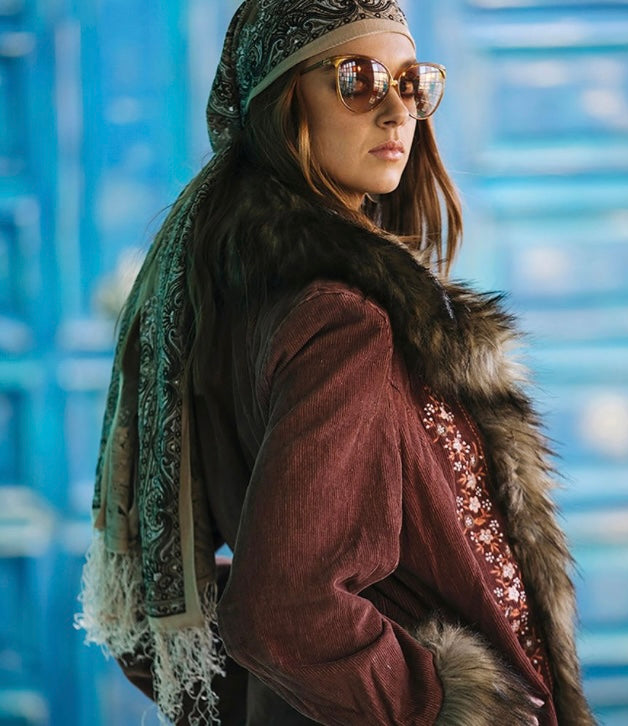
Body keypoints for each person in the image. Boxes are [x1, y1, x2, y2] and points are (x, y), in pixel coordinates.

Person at [76, 1, 595, 724]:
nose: (397, 110)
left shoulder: (242, 297)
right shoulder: (342, 323)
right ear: (282, 104)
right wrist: (450, 705)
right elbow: (284, 609)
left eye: (411, 83)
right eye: (358, 79)